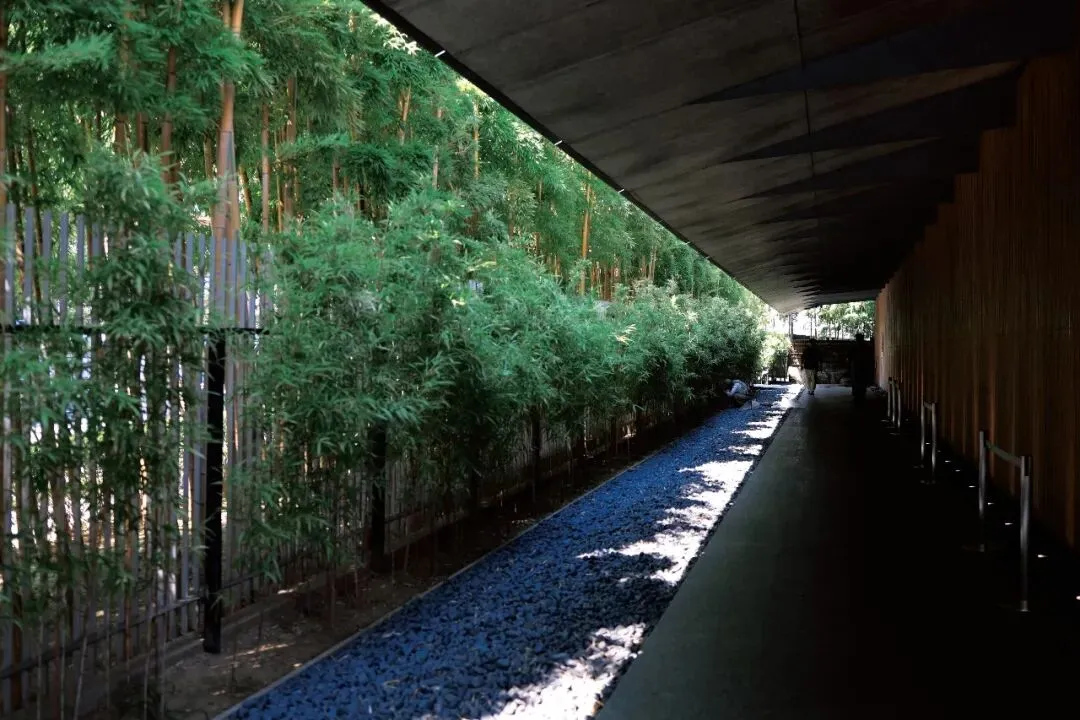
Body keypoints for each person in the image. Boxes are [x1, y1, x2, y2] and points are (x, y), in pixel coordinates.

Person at [849, 332, 873, 404]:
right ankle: (861, 394)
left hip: (856, 366)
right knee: (862, 381)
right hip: (863, 366)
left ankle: (857, 395)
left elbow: (849, 356)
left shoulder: (854, 346)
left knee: (856, 381)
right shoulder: (867, 346)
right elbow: (870, 357)